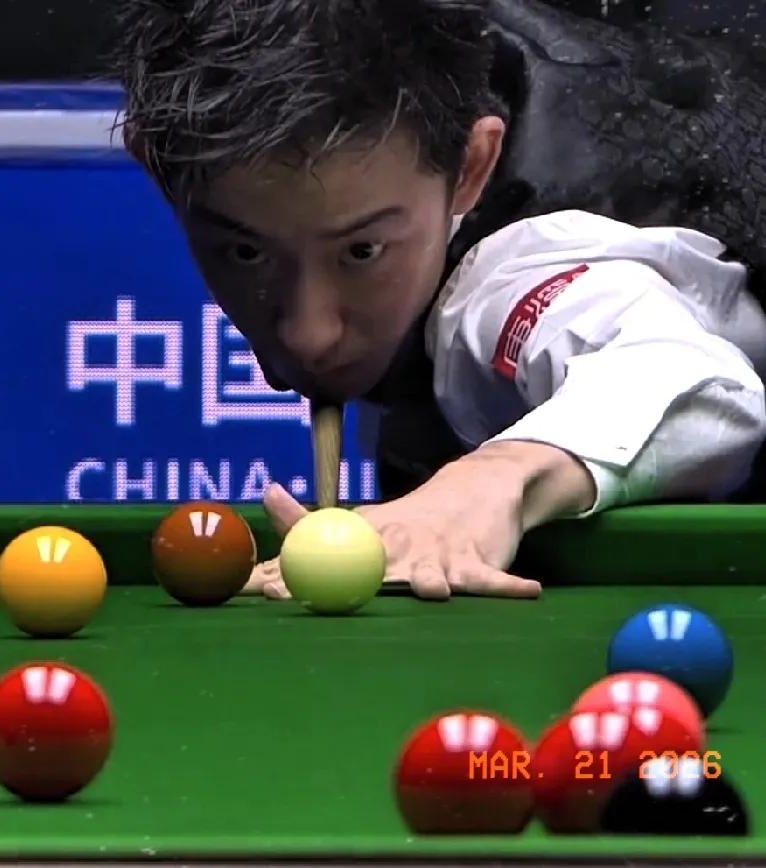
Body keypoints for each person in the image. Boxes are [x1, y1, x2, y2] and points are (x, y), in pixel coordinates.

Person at [115, 0, 766, 601]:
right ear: (156, 168)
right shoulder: (426, 75)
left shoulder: (524, 264)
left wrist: (493, 477)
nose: (310, 333)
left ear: (472, 167)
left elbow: (691, 380)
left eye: (362, 251)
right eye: (245, 252)